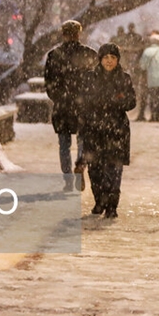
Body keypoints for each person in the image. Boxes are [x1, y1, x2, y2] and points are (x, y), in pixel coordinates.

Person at [79, 43, 136, 218]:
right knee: (95, 168)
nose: (109, 61)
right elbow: (84, 101)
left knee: (114, 169)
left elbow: (131, 102)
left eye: (113, 57)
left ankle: (112, 205)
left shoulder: (124, 78)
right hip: (94, 129)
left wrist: (115, 101)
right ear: (100, 59)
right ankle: (99, 201)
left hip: (117, 130)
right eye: (106, 57)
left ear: (118, 60)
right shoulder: (90, 77)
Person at [44, 20, 98, 190]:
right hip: (83, 105)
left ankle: (67, 179)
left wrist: (59, 98)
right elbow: (96, 81)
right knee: (83, 140)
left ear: (63, 34)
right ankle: (80, 165)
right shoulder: (89, 54)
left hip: (63, 106)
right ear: (78, 34)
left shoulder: (54, 55)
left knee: (64, 145)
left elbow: (49, 82)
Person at [139, 33, 159, 122]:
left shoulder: (147, 51)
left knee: (153, 97)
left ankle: (153, 115)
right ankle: (158, 116)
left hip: (152, 78)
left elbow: (142, 66)